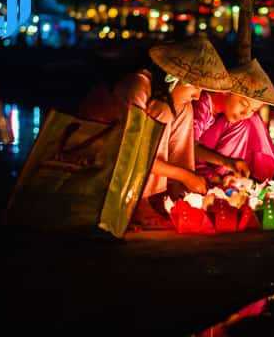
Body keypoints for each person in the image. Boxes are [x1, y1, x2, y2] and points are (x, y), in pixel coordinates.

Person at [80, 36, 240, 228]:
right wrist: (186, 176)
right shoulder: (137, 87)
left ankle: (174, 192)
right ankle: (141, 200)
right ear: (174, 78)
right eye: (195, 86)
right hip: (96, 159)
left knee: (184, 108)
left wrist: (186, 179)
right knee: (164, 112)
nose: (198, 96)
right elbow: (134, 153)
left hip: (131, 161)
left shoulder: (171, 100)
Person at [193, 58, 274, 182]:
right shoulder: (202, 103)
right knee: (244, 122)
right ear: (226, 92)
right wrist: (227, 162)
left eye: (252, 109)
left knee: (250, 120)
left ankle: (229, 177)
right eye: (244, 104)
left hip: (215, 163)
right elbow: (189, 146)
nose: (245, 113)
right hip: (192, 163)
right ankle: (217, 177)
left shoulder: (228, 114)